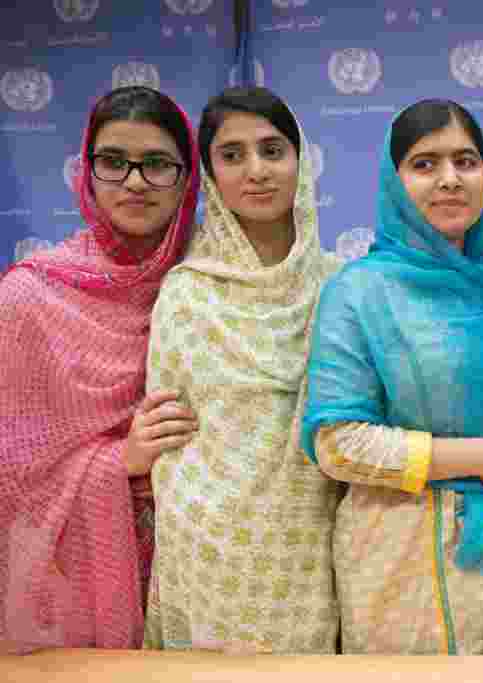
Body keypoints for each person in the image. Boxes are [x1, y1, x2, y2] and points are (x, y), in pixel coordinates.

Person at [301, 99, 483, 655]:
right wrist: (480, 458)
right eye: (425, 164)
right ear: (393, 179)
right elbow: (337, 444)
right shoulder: (358, 292)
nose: (450, 180)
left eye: (466, 161)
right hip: (400, 566)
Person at [0, 86, 200, 653]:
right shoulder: (29, 298)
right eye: (113, 162)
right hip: (76, 597)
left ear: (188, 180)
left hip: (202, 577)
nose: (134, 181)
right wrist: (121, 463)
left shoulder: (211, 289)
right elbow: (12, 479)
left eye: (157, 164)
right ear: (87, 172)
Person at [143, 87, 340, 653]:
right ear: (208, 175)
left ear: (300, 162)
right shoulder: (186, 294)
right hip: (208, 549)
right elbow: (169, 439)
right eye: (231, 155)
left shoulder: (339, 285)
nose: (256, 171)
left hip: (310, 544)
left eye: (272, 150)